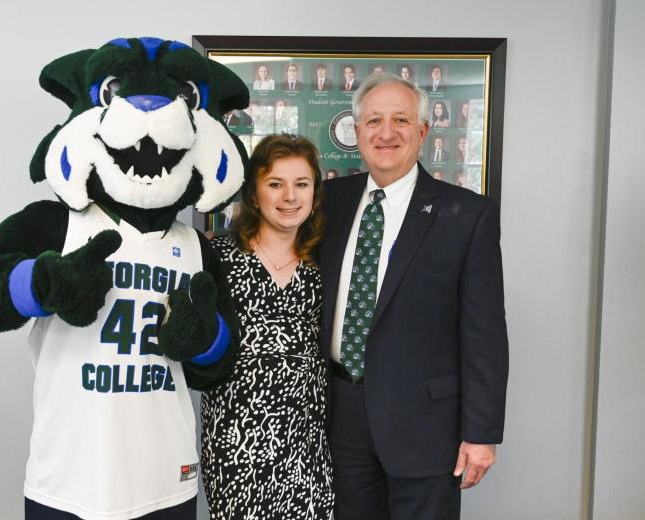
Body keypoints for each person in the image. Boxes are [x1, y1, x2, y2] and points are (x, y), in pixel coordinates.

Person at [319, 73, 507, 519]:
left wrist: (481, 433)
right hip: (341, 416)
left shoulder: (466, 215)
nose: (386, 133)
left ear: (422, 132)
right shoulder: (329, 201)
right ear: (357, 131)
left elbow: (484, 334)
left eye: (401, 120)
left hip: (426, 425)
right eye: (373, 121)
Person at [201, 135, 334, 520]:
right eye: (275, 184)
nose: (290, 196)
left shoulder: (326, 261)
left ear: (314, 192)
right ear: (254, 194)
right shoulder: (217, 257)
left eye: (301, 184)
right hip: (235, 444)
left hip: (306, 447)